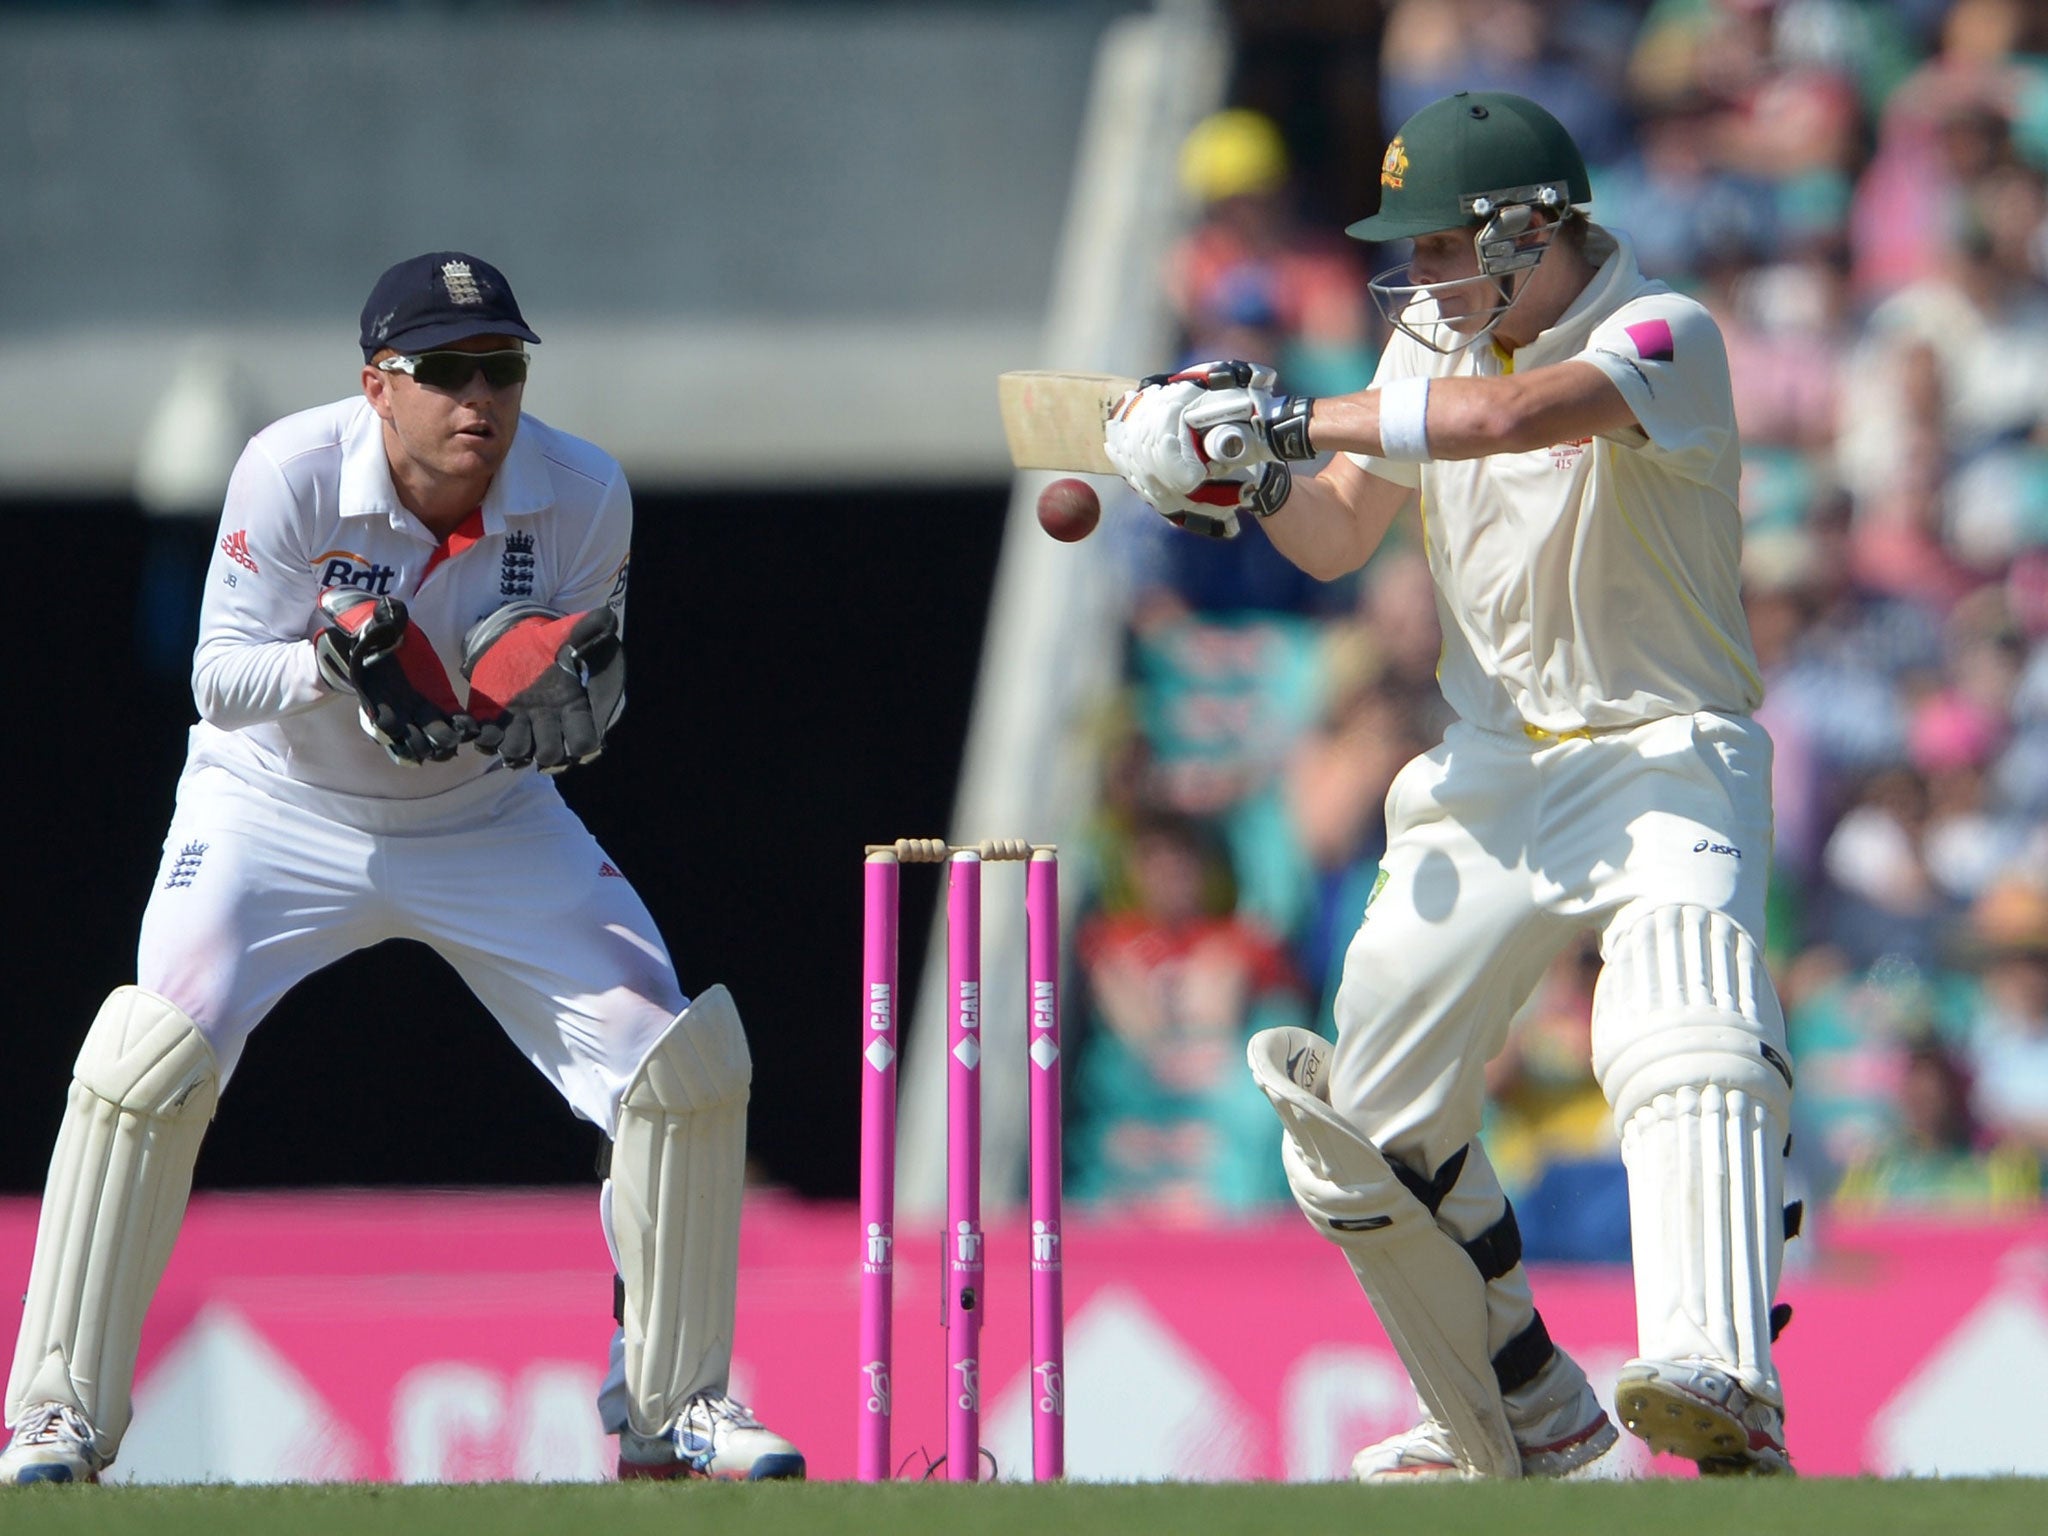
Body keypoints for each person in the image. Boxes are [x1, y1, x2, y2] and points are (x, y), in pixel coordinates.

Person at [0, 253, 803, 1485]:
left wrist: (569, 706)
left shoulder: (584, 491)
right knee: (148, 1055)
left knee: (674, 1057)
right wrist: (336, 661)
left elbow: (584, 679)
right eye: (446, 371)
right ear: (378, 383)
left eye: (502, 368)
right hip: (277, 805)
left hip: (485, 815)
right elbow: (217, 679)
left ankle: (672, 1404)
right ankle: (56, 1415)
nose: (479, 398)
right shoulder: (291, 469)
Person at [1104, 92, 1797, 1479]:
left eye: (1435, 247)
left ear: (1527, 230)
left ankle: (1720, 1374)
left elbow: (1511, 416)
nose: (1417, 278)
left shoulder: (1664, 333)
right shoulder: (1433, 335)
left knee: (1682, 1027)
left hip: (1661, 751)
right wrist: (1230, 478)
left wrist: (1275, 419)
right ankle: (1515, 1401)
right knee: (1360, 1124)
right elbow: (1337, 536)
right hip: (1488, 767)